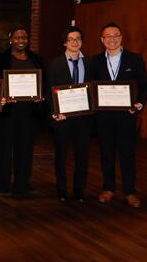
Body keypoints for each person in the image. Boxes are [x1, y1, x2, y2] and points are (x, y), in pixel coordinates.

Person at [90, 22, 147, 208]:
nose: (112, 39)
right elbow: (91, 88)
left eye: (115, 35)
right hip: (104, 116)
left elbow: (145, 87)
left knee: (127, 154)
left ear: (121, 38)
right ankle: (108, 188)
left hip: (126, 115)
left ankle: (130, 191)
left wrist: (139, 105)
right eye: (107, 36)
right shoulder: (95, 61)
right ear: (102, 40)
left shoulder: (135, 59)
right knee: (106, 153)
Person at [0, 25, 45, 197]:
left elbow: (43, 82)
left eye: (24, 38)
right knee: (3, 149)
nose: (21, 41)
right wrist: (3, 96)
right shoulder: (0, 59)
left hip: (28, 112)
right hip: (7, 112)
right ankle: (1, 184)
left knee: (25, 149)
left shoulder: (36, 58)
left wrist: (41, 96)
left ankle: (22, 183)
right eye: (17, 37)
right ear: (11, 40)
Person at [46, 26, 92, 202]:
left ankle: (79, 190)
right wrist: (55, 112)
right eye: (71, 39)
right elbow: (50, 91)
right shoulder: (55, 64)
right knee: (61, 156)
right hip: (63, 118)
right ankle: (62, 189)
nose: (75, 42)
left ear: (82, 41)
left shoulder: (90, 62)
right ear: (64, 42)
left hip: (83, 118)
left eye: (78, 38)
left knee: (82, 156)